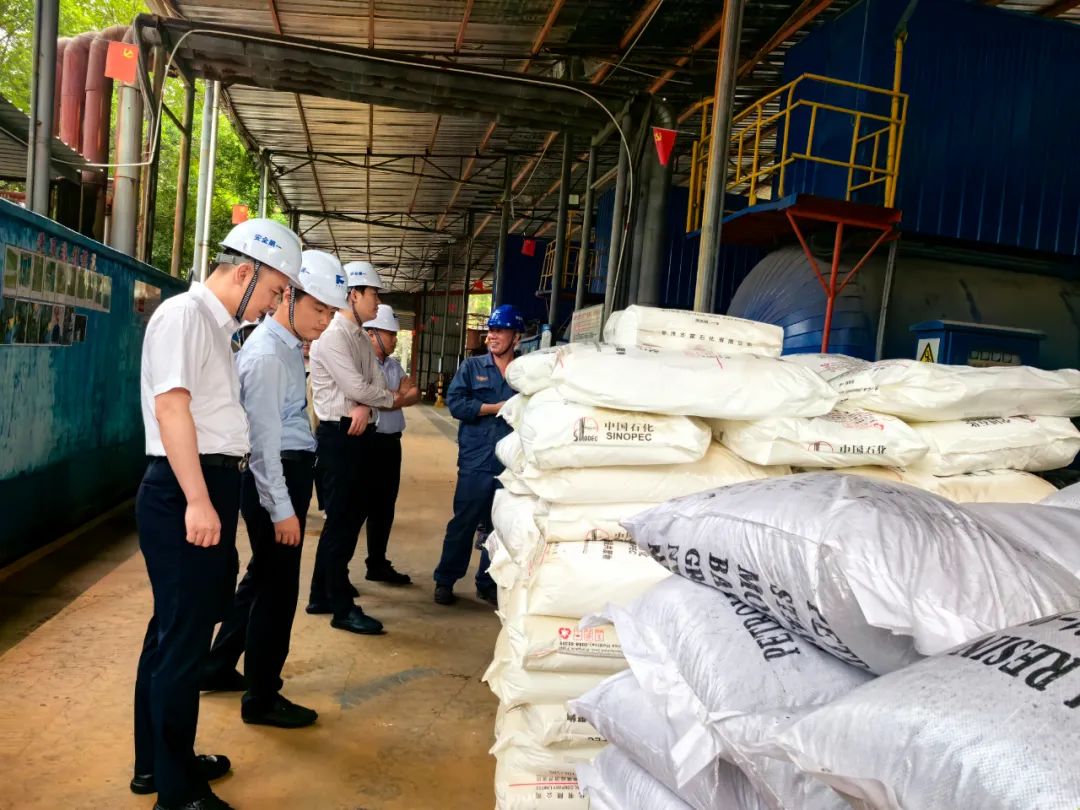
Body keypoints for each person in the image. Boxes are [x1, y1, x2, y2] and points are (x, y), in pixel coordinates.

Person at [132, 218, 301, 810]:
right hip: (188, 488)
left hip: (205, 484)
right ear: (244, 271)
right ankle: (178, 793)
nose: (275, 303)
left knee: (173, 632)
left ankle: (159, 764)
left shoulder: (216, 326)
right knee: (182, 644)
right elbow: (172, 409)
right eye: (275, 290)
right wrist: (199, 499)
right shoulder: (185, 315)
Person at [200, 250, 348, 729]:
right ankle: (262, 696)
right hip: (276, 476)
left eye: (331, 313)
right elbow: (263, 444)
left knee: (262, 577)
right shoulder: (267, 354)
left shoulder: (285, 346)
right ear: (288, 297)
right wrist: (283, 509)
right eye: (318, 309)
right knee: (278, 594)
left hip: (286, 472)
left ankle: (218, 664)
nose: (324, 321)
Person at [307, 261, 417, 634]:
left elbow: (371, 385)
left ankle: (322, 593)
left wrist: (367, 404)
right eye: (373, 294)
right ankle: (341, 606)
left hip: (359, 433)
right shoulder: (334, 337)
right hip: (340, 438)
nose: (378, 302)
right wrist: (386, 400)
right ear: (354, 294)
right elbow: (360, 387)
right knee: (342, 523)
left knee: (348, 520)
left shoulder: (357, 336)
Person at [433, 304, 525, 607]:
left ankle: (487, 582)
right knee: (464, 522)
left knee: (500, 525)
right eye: (491, 330)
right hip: (477, 459)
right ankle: (445, 580)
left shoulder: (525, 373)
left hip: (511, 464)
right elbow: (456, 403)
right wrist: (493, 408)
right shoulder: (472, 367)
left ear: (516, 336)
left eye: (500, 331)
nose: (492, 336)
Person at [362, 304, 419, 585]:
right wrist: (395, 396)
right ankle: (335, 577)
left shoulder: (394, 365)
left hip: (390, 445)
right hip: (367, 444)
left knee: (384, 507)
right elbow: (376, 400)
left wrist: (394, 397)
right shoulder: (363, 364)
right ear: (372, 334)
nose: (395, 339)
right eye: (390, 334)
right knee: (356, 509)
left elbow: (414, 392)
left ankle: (377, 563)